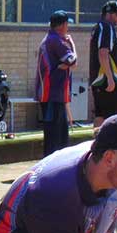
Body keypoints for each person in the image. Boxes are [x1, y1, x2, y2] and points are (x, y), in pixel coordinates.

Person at [35, 10, 77, 157]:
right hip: (52, 93)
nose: (68, 27)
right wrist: (71, 44)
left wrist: (64, 65)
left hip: (54, 93)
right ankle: (51, 168)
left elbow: (67, 64)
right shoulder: (55, 40)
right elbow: (73, 60)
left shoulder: (50, 39)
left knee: (59, 133)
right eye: (67, 24)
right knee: (55, 135)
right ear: (62, 25)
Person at [89, 0, 117, 130]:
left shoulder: (98, 28)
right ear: (109, 14)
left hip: (99, 82)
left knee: (101, 115)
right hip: (106, 81)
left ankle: (97, 146)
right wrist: (110, 79)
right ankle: (116, 146)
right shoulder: (106, 27)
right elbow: (103, 53)